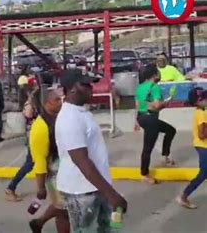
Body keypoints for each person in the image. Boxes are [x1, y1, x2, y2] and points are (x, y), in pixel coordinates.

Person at [56, 69, 127, 232]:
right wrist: (111, 194)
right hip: (81, 193)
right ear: (72, 88)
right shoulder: (70, 118)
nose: (91, 88)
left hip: (95, 187)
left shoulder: (81, 112)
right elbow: (81, 160)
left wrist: (107, 191)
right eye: (85, 84)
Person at [28, 89, 69, 233]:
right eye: (56, 100)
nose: (60, 102)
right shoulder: (40, 127)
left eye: (60, 99)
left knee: (63, 208)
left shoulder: (59, 117)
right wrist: (41, 188)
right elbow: (39, 160)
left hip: (65, 171)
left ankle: (38, 223)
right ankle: (39, 223)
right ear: (46, 104)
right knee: (64, 211)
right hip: (54, 175)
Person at [135, 64, 176, 184]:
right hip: (150, 119)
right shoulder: (154, 87)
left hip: (142, 118)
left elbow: (138, 105)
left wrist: (136, 121)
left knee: (170, 130)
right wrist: (169, 101)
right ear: (154, 75)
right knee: (148, 147)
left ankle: (165, 156)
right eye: (158, 72)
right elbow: (157, 106)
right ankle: (144, 174)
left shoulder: (139, 87)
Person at [5, 90, 39, 202]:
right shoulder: (30, 105)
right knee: (29, 165)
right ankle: (10, 188)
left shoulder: (32, 103)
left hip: (36, 137)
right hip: (34, 139)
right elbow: (29, 115)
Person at [177, 87, 207, 209]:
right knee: (203, 174)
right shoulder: (202, 114)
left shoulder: (200, 111)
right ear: (199, 100)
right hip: (203, 147)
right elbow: (202, 135)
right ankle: (184, 196)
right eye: (205, 98)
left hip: (201, 146)